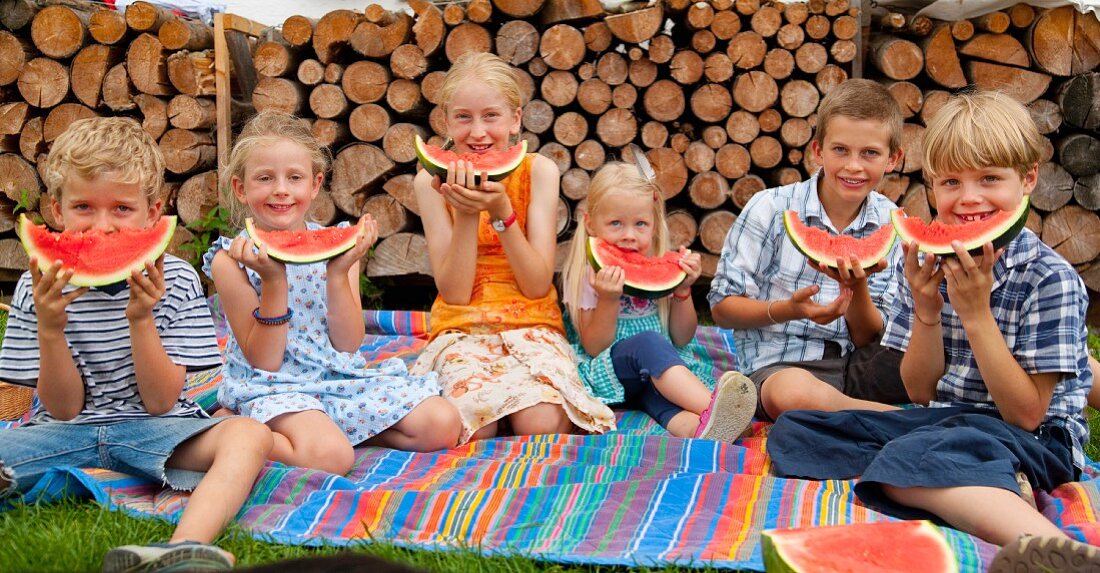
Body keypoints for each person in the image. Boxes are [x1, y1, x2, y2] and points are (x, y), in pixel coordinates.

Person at [766, 90, 1098, 571]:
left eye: (990, 179)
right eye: (951, 182)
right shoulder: (925, 265)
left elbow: (1026, 415)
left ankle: (1061, 552)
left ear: (1028, 179)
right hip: (948, 421)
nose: (968, 198)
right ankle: (993, 486)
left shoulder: (1051, 279)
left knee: (911, 460)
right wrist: (926, 310)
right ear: (932, 185)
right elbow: (919, 391)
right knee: (802, 433)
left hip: (1039, 439)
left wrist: (977, 315)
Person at [0, 116, 274, 573]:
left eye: (122, 209)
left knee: (249, 435)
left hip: (156, 430)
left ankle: (185, 546)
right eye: (83, 207)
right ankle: (52, 479)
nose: (102, 227)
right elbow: (63, 408)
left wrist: (141, 318)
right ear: (55, 209)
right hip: (63, 431)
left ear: (153, 211)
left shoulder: (179, 280)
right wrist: (50, 326)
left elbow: (161, 400)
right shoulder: (36, 287)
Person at [205, 111, 461, 476]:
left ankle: (331, 431)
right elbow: (265, 360)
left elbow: (349, 343)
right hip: (272, 386)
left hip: (337, 377)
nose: (281, 189)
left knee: (442, 423)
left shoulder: (337, 244)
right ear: (240, 189)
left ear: (314, 184)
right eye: (265, 178)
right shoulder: (230, 260)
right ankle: (236, 431)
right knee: (333, 459)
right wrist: (275, 283)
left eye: (294, 177)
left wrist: (339, 273)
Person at [409, 52, 615, 443]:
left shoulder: (539, 171)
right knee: (476, 425)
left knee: (538, 424)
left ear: (515, 120)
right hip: (461, 327)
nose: (478, 132)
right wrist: (468, 214)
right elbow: (453, 292)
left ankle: (518, 405)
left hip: (532, 322)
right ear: (446, 122)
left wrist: (502, 213)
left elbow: (537, 285)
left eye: (491, 116)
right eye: (463, 117)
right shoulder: (428, 183)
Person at [707, 78, 911, 421]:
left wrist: (856, 287)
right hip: (780, 366)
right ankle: (901, 420)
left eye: (870, 153)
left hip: (856, 364)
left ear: (893, 158)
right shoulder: (770, 209)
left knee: (934, 358)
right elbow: (722, 310)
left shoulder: (892, 223)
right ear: (818, 151)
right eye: (840, 150)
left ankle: (854, 411)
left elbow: (868, 336)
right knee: (793, 393)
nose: (854, 166)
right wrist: (790, 309)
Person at [559, 162, 756, 441]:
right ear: (590, 223)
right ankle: (713, 406)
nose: (629, 234)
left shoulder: (658, 264)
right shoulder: (586, 274)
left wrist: (682, 292)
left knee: (665, 402)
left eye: (640, 224)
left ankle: (707, 430)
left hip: (656, 374)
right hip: (609, 370)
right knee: (648, 342)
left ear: (653, 226)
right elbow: (595, 347)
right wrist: (608, 300)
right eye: (616, 223)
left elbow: (681, 337)